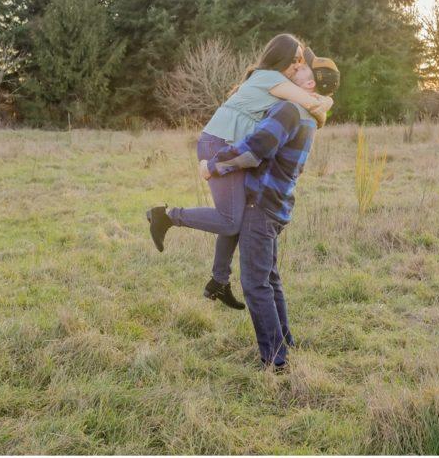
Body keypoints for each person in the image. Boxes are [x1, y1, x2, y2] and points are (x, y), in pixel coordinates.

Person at [146, 34, 332, 310]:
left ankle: (219, 282)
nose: (297, 67)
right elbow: (312, 104)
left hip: (229, 146)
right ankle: (166, 216)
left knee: (239, 214)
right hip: (218, 144)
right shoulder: (272, 79)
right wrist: (327, 101)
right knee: (231, 220)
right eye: (294, 61)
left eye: (301, 62)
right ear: (279, 58)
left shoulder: (271, 80)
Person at [200, 53, 340, 371]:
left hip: (260, 204)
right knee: (270, 277)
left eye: (300, 67)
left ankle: (275, 360)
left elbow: (254, 150)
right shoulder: (308, 113)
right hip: (278, 203)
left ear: (310, 82)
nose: (292, 69)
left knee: (254, 283)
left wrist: (213, 165)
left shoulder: (290, 109)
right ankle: (285, 340)